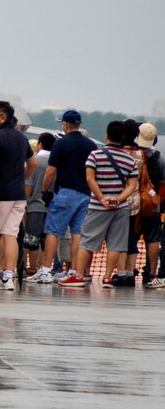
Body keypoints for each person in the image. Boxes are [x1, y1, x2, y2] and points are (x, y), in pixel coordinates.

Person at [61, 121, 138, 288]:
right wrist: (118, 199)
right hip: (121, 208)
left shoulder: (95, 155)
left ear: (106, 135)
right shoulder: (129, 160)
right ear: (123, 137)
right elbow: (132, 186)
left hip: (97, 206)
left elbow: (89, 178)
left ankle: (79, 276)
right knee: (116, 244)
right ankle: (108, 278)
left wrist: (101, 198)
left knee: (87, 241)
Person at [0, 101, 36, 290]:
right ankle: (8, 277)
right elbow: (32, 163)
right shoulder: (21, 137)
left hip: (0, 194)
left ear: (2, 118)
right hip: (18, 194)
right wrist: (21, 178)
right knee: (10, 234)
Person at [35, 110, 97, 283]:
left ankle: (46, 270)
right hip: (85, 194)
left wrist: (45, 190)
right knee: (78, 233)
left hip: (65, 192)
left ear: (66, 125)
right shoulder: (91, 146)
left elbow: (50, 171)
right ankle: (74, 271)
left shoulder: (61, 144)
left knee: (53, 231)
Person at [24, 132, 56, 279]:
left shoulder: (34, 161)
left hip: (35, 206)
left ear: (40, 144)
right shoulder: (56, 161)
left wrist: (24, 202)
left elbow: (28, 184)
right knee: (47, 238)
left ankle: (32, 268)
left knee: (32, 239)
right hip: (52, 206)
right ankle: (44, 267)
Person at [136, 123, 164, 287]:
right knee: (153, 238)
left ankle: (127, 270)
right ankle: (151, 272)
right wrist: (157, 203)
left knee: (130, 238)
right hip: (152, 204)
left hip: (133, 202)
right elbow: (163, 184)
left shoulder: (133, 154)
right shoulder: (159, 157)